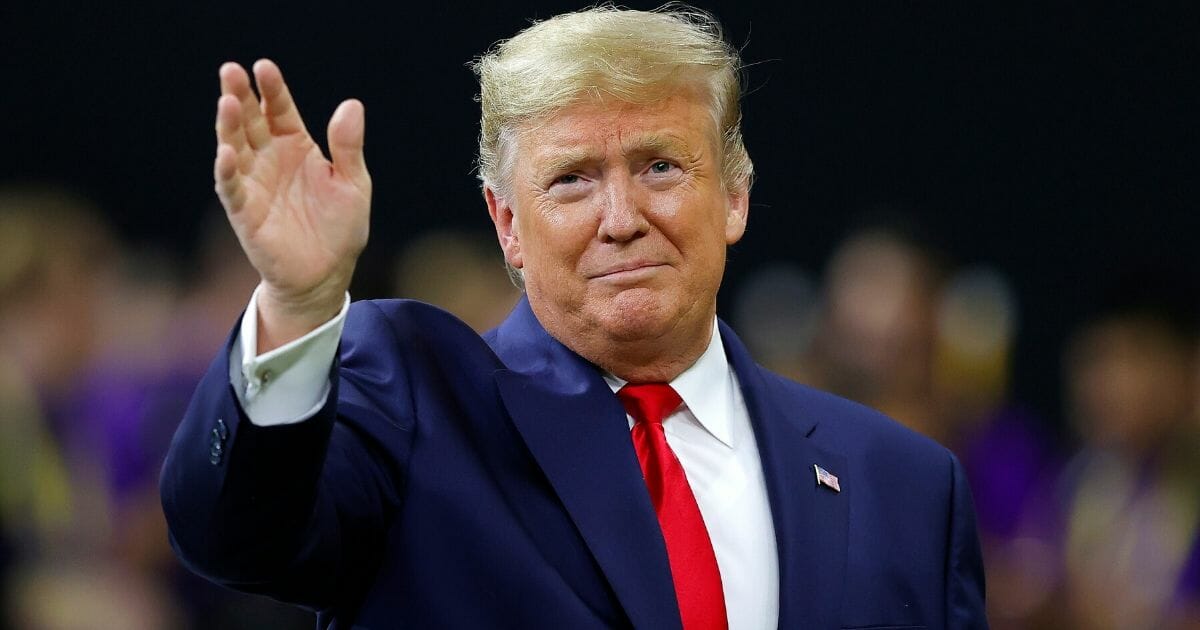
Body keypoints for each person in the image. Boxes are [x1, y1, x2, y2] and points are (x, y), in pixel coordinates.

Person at [160, 7, 987, 629]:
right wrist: (300, 304)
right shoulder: (418, 401)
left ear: (733, 193)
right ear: (507, 224)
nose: (621, 217)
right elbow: (235, 538)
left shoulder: (908, 487)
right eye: (572, 180)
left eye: (660, 166)